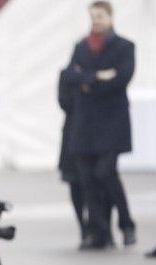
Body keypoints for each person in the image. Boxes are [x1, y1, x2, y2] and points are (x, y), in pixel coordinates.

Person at [61, 0, 136, 249]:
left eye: (100, 16)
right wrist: (98, 76)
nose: (96, 21)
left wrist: (86, 82)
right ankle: (99, 231)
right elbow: (69, 76)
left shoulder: (125, 46)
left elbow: (122, 78)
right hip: (84, 125)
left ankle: (126, 223)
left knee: (106, 172)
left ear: (110, 18)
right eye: (93, 16)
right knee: (87, 178)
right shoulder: (81, 47)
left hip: (111, 124)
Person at [57, 69, 89, 247]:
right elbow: (64, 101)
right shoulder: (69, 74)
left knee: (94, 184)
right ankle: (84, 229)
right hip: (72, 134)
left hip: (93, 136)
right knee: (75, 182)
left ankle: (97, 228)